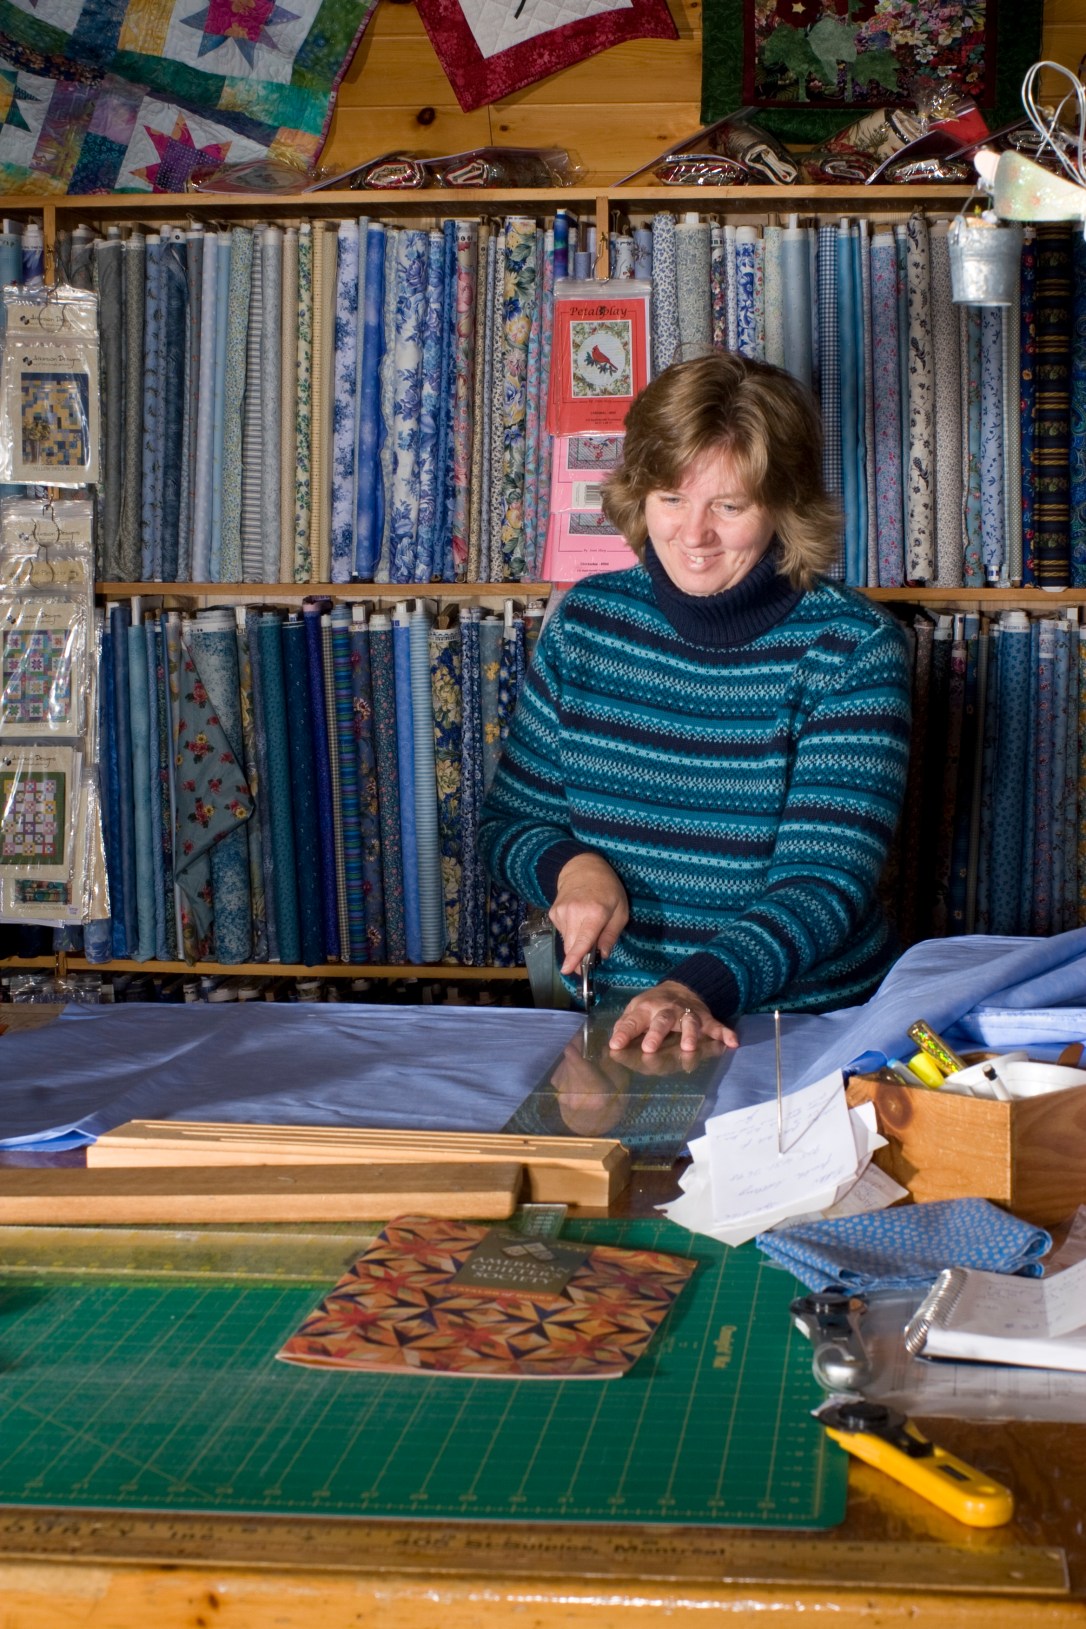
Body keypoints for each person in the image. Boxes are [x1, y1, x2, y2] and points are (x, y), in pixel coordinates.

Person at [479, 352, 912, 1055]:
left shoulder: (851, 648)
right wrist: (569, 866)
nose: (693, 534)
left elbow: (822, 884)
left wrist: (693, 988)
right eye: (671, 498)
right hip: (625, 1026)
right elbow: (508, 825)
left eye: (729, 506)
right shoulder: (587, 624)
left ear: (785, 506)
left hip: (801, 1026)